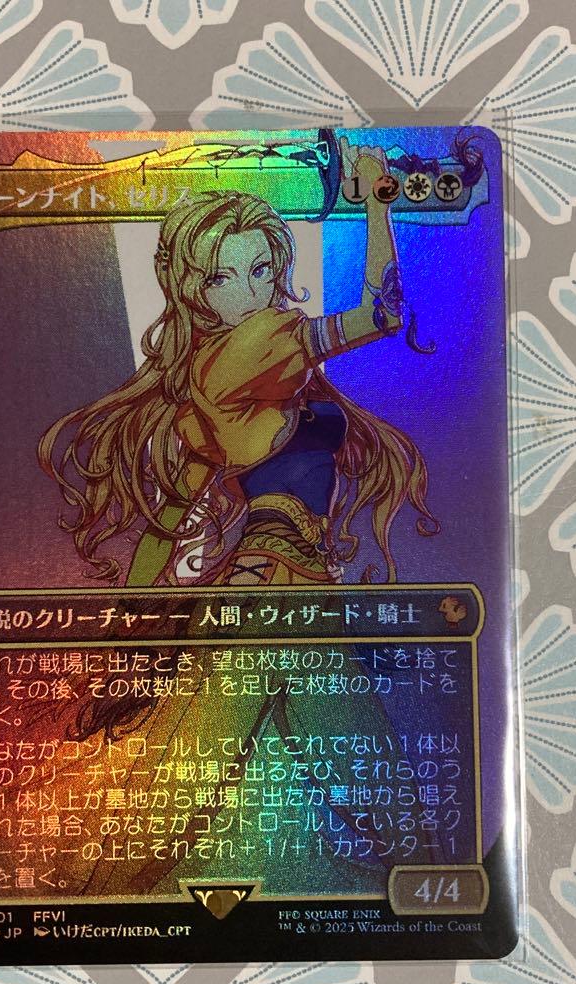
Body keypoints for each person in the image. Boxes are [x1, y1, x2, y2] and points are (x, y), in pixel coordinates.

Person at [36, 144, 444, 898]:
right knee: (173, 801)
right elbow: (384, 313)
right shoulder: (260, 343)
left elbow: (165, 524)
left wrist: (135, 630)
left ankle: (438, 906)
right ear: (193, 292)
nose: (252, 291)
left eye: (261, 269)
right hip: (268, 601)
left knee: (383, 802)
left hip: (292, 598)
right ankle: (69, 906)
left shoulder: (224, 377)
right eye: (224, 277)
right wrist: (377, 203)